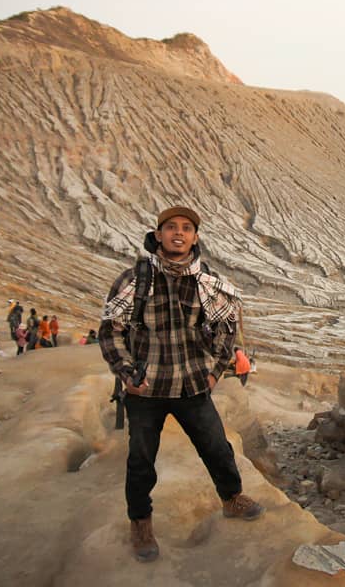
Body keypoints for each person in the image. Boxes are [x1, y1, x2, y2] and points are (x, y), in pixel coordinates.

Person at [99, 205, 263, 563]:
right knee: (141, 460)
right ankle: (141, 523)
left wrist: (213, 372)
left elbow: (225, 331)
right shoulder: (134, 280)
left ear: (195, 237)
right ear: (158, 235)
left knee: (217, 447)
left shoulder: (206, 281)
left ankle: (231, 498)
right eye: (171, 227)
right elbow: (110, 332)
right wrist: (127, 374)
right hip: (147, 389)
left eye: (186, 228)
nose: (178, 233)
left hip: (192, 385)